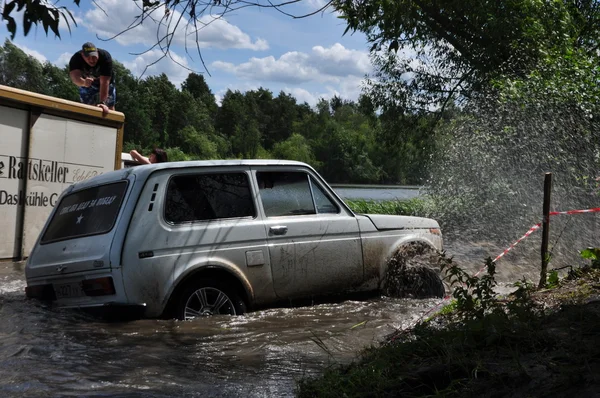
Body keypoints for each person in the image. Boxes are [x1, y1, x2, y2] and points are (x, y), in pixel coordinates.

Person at [69, 42, 116, 115]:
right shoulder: (76, 59)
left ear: (97, 52)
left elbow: (104, 82)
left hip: (106, 83)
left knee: (109, 107)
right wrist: (83, 82)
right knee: (88, 108)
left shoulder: (105, 56)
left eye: (94, 57)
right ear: (82, 55)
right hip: (87, 83)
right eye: (88, 57)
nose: (92, 60)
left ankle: (112, 122)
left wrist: (102, 102)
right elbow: (75, 78)